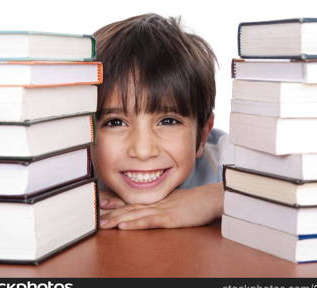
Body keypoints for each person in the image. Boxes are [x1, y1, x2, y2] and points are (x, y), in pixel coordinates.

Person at [91, 13, 233, 230]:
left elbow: (294, 190)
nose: (143, 151)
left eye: (168, 121)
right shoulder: (68, 171)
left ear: (203, 135)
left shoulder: (229, 165)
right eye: (115, 122)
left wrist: (220, 197)